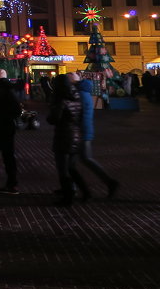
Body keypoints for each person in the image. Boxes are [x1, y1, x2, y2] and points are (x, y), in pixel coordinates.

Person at [48, 73, 90, 207]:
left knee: (63, 169)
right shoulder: (76, 95)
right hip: (76, 134)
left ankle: (68, 197)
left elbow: (54, 118)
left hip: (64, 136)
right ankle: (86, 191)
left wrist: (52, 111)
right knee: (72, 168)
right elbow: (81, 115)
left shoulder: (61, 99)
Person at [77, 75, 120, 198]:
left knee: (85, 159)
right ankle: (74, 188)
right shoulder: (85, 94)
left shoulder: (81, 95)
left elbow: (80, 115)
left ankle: (108, 182)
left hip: (82, 132)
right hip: (84, 131)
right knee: (75, 162)